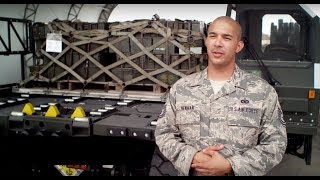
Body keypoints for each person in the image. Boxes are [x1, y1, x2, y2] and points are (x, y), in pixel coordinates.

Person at [154, 16, 287, 176]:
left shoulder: (262, 92)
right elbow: (164, 133)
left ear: (238, 46)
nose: (218, 43)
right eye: (213, 36)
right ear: (206, 41)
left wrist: (231, 165)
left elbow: (276, 144)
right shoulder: (181, 89)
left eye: (226, 37)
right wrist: (192, 157)